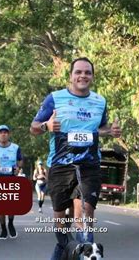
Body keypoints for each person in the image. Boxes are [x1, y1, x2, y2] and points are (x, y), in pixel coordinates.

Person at [30, 57, 121, 259]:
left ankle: (85, 252)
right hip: (60, 165)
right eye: (78, 72)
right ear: (71, 76)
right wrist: (47, 126)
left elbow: (101, 129)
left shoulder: (100, 101)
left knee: (86, 211)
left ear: (92, 77)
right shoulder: (54, 98)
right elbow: (34, 127)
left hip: (89, 164)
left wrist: (111, 131)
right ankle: (64, 248)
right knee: (61, 217)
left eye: (87, 72)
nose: (83, 76)